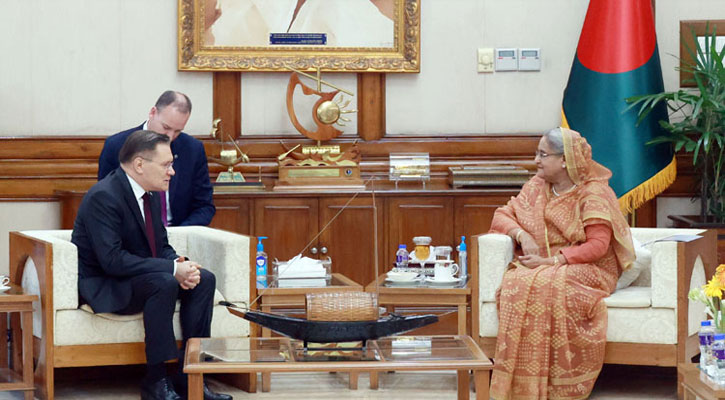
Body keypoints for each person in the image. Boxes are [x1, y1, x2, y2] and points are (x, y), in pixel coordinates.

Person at [73, 130, 230, 400]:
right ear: (139, 164)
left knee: (204, 279)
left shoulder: (150, 194)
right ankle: (156, 381)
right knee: (164, 281)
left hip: (140, 277)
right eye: (166, 165)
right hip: (108, 283)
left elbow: (161, 246)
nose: (172, 172)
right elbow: (112, 261)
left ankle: (191, 377)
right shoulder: (104, 196)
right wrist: (171, 270)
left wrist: (179, 263)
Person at [488, 127, 635, 399]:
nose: (536, 160)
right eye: (537, 154)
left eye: (543, 155)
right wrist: (521, 234)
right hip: (543, 263)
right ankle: (524, 381)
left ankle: (559, 385)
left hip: (590, 267)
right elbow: (501, 215)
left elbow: (598, 246)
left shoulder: (593, 192)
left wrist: (552, 261)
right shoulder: (536, 187)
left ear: (565, 159)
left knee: (551, 280)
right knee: (516, 281)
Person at [98, 90, 215, 227]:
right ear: (153, 113)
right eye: (166, 127)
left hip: (178, 230)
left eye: (178, 131)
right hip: (132, 234)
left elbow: (204, 206)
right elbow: (105, 202)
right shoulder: (117, 146)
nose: (170, 137)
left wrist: (180, 233)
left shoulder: (193, 150)